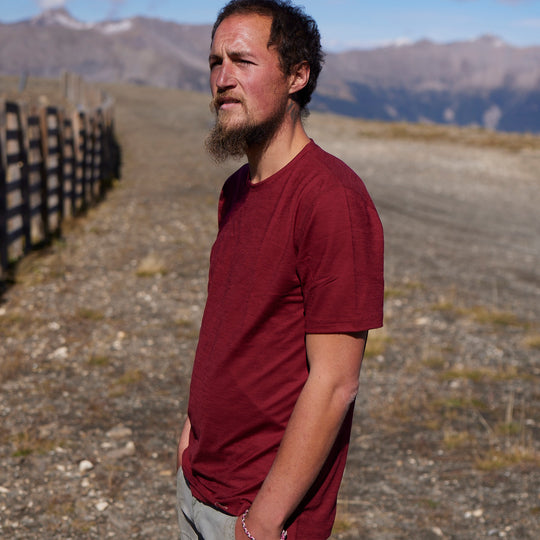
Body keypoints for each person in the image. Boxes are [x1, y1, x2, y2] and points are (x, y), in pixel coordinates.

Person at [176, 1, 384, 539]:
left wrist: (264, 520)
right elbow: (232, 328)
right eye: (215, 62)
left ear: (297, 75)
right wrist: (190, 433)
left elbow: (336, 381)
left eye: (242, 61)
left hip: (260, 513)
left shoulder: (331, 198)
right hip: (200, 483)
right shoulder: (236, 191)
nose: (222, 79)